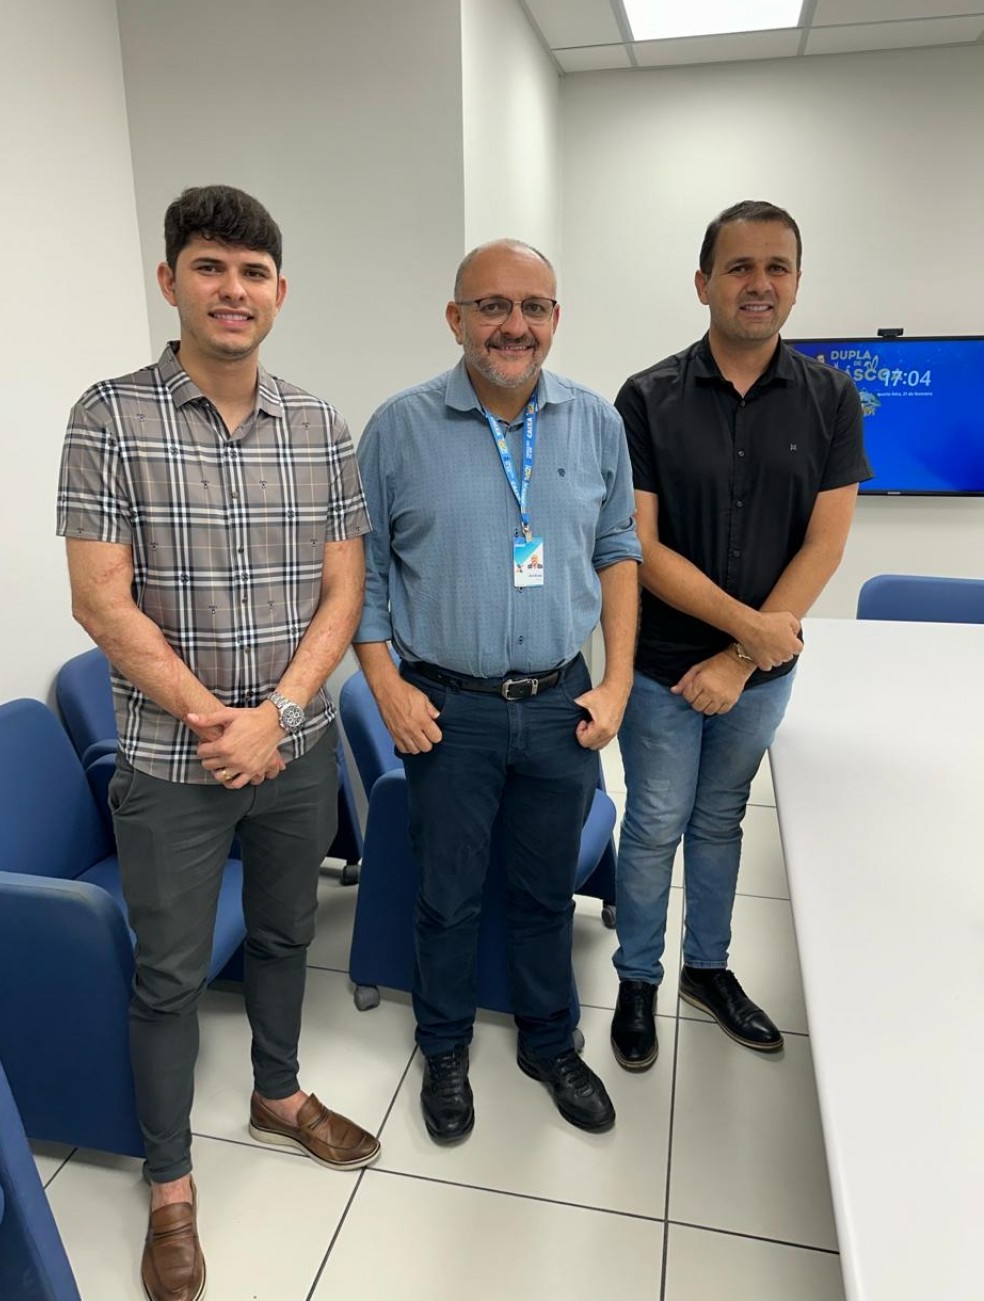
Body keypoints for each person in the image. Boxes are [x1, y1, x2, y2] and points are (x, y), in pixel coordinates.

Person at [57, 185, 379, 1301]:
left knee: (287, 932)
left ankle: (277, 1094)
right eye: (209, 267)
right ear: (171, 281)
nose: (232, 290)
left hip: (297, 750)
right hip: (170, 762)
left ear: (278, 291)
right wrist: (221, 724)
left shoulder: (321, 425)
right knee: (169, 977)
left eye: (252, 272)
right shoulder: (109, 417)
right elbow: (100, 601)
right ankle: (170, 1186)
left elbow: (345, 590)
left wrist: (276, 718)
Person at [354, 239, 641, 1143]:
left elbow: (618, 550)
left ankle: (549, 1041)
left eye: (534, 306)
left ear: (555, 318)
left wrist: (619, 681)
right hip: (447, 707)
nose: (514, 325)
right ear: (456, 318)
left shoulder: (595, 422)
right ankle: (442, 1045)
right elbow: (362, 575)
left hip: (563, 703)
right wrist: (385, 684)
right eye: (492, 306)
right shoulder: (398, 428)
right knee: (447, 894)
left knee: (546, 889)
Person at [610, 200, 871, 1071]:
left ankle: (707, 969)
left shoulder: (832, 396)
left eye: (777, 267)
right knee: (655, 823)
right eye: (739, 266)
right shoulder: (646, 397)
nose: (759, 283)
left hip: (758, 676)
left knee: (721, 820)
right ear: (704, 283)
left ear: (796, 284)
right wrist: (747, 633)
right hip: (659, 668)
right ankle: (637, 979)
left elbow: (824, 544)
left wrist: (740, 657)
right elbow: (642, 547)